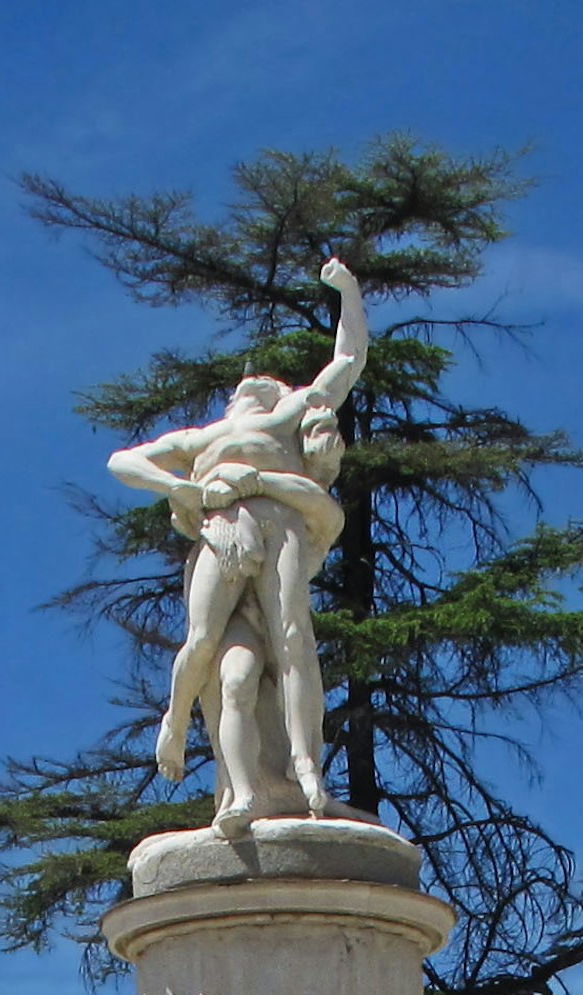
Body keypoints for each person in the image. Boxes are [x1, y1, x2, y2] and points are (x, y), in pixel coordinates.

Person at [109, 256, 370, 832]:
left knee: (293, 635)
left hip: (279, 523)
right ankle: (175, 723)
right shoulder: (199, 437)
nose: (251, 380)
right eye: (242, 385)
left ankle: (307, 769)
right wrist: (181, 486)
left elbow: (348, 360)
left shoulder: (287, 415)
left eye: (266, 382)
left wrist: (347, 290)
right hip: (220, 530)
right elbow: (122, 461)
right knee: (205, 643)